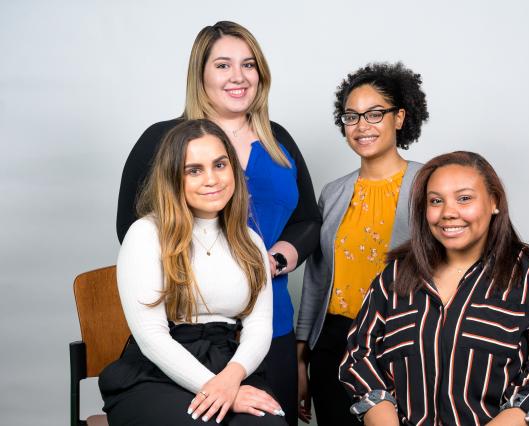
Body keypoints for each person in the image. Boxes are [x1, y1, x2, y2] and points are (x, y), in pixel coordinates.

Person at [115, 22, 320, 425]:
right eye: (223, 65)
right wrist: (203, 277)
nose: (238, 76)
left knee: (269, 416)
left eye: (248, 64)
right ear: (201, 74)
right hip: (183, 319)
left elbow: (308, 219)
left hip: (267, 314)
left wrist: (268, 260)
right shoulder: (162, 141)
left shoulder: (278, 141)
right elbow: (133, 229)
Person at [339, 151, 529, 426]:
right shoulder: (396, 277)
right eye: (436, 201)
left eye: (464, 198)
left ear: (494, 201)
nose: (448, 212)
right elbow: (360, 356)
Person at [99, 119, 287, 425]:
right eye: (194, 170)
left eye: (220, 165)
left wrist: (231, 380)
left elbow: (259, 328)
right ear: (174, 177)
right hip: (157, 370)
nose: (212, 179)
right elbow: (151, 337)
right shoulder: (146, 233)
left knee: (269, 423)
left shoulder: (250, 241)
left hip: (230, 363)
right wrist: (221, 391)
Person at [296, 62, 429, 425]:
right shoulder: (333, 192)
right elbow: (317, 277)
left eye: (374, 114)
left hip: (403, 339)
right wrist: (302, 353)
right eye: (351, 116)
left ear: (399, 118)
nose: (361, 126)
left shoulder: (428, 183)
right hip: (335, 342)